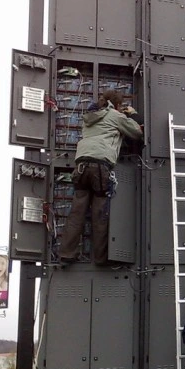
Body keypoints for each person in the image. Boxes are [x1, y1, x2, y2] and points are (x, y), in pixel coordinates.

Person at [58, 89, 143, 265]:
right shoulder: (115, 115)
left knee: (77, 213)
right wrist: (132, 114)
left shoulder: (89, 116)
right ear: (118, 105)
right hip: (100, 167)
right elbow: (137, 132)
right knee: (99, 214)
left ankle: (66, 254)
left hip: (81, 166)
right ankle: (100, 258)